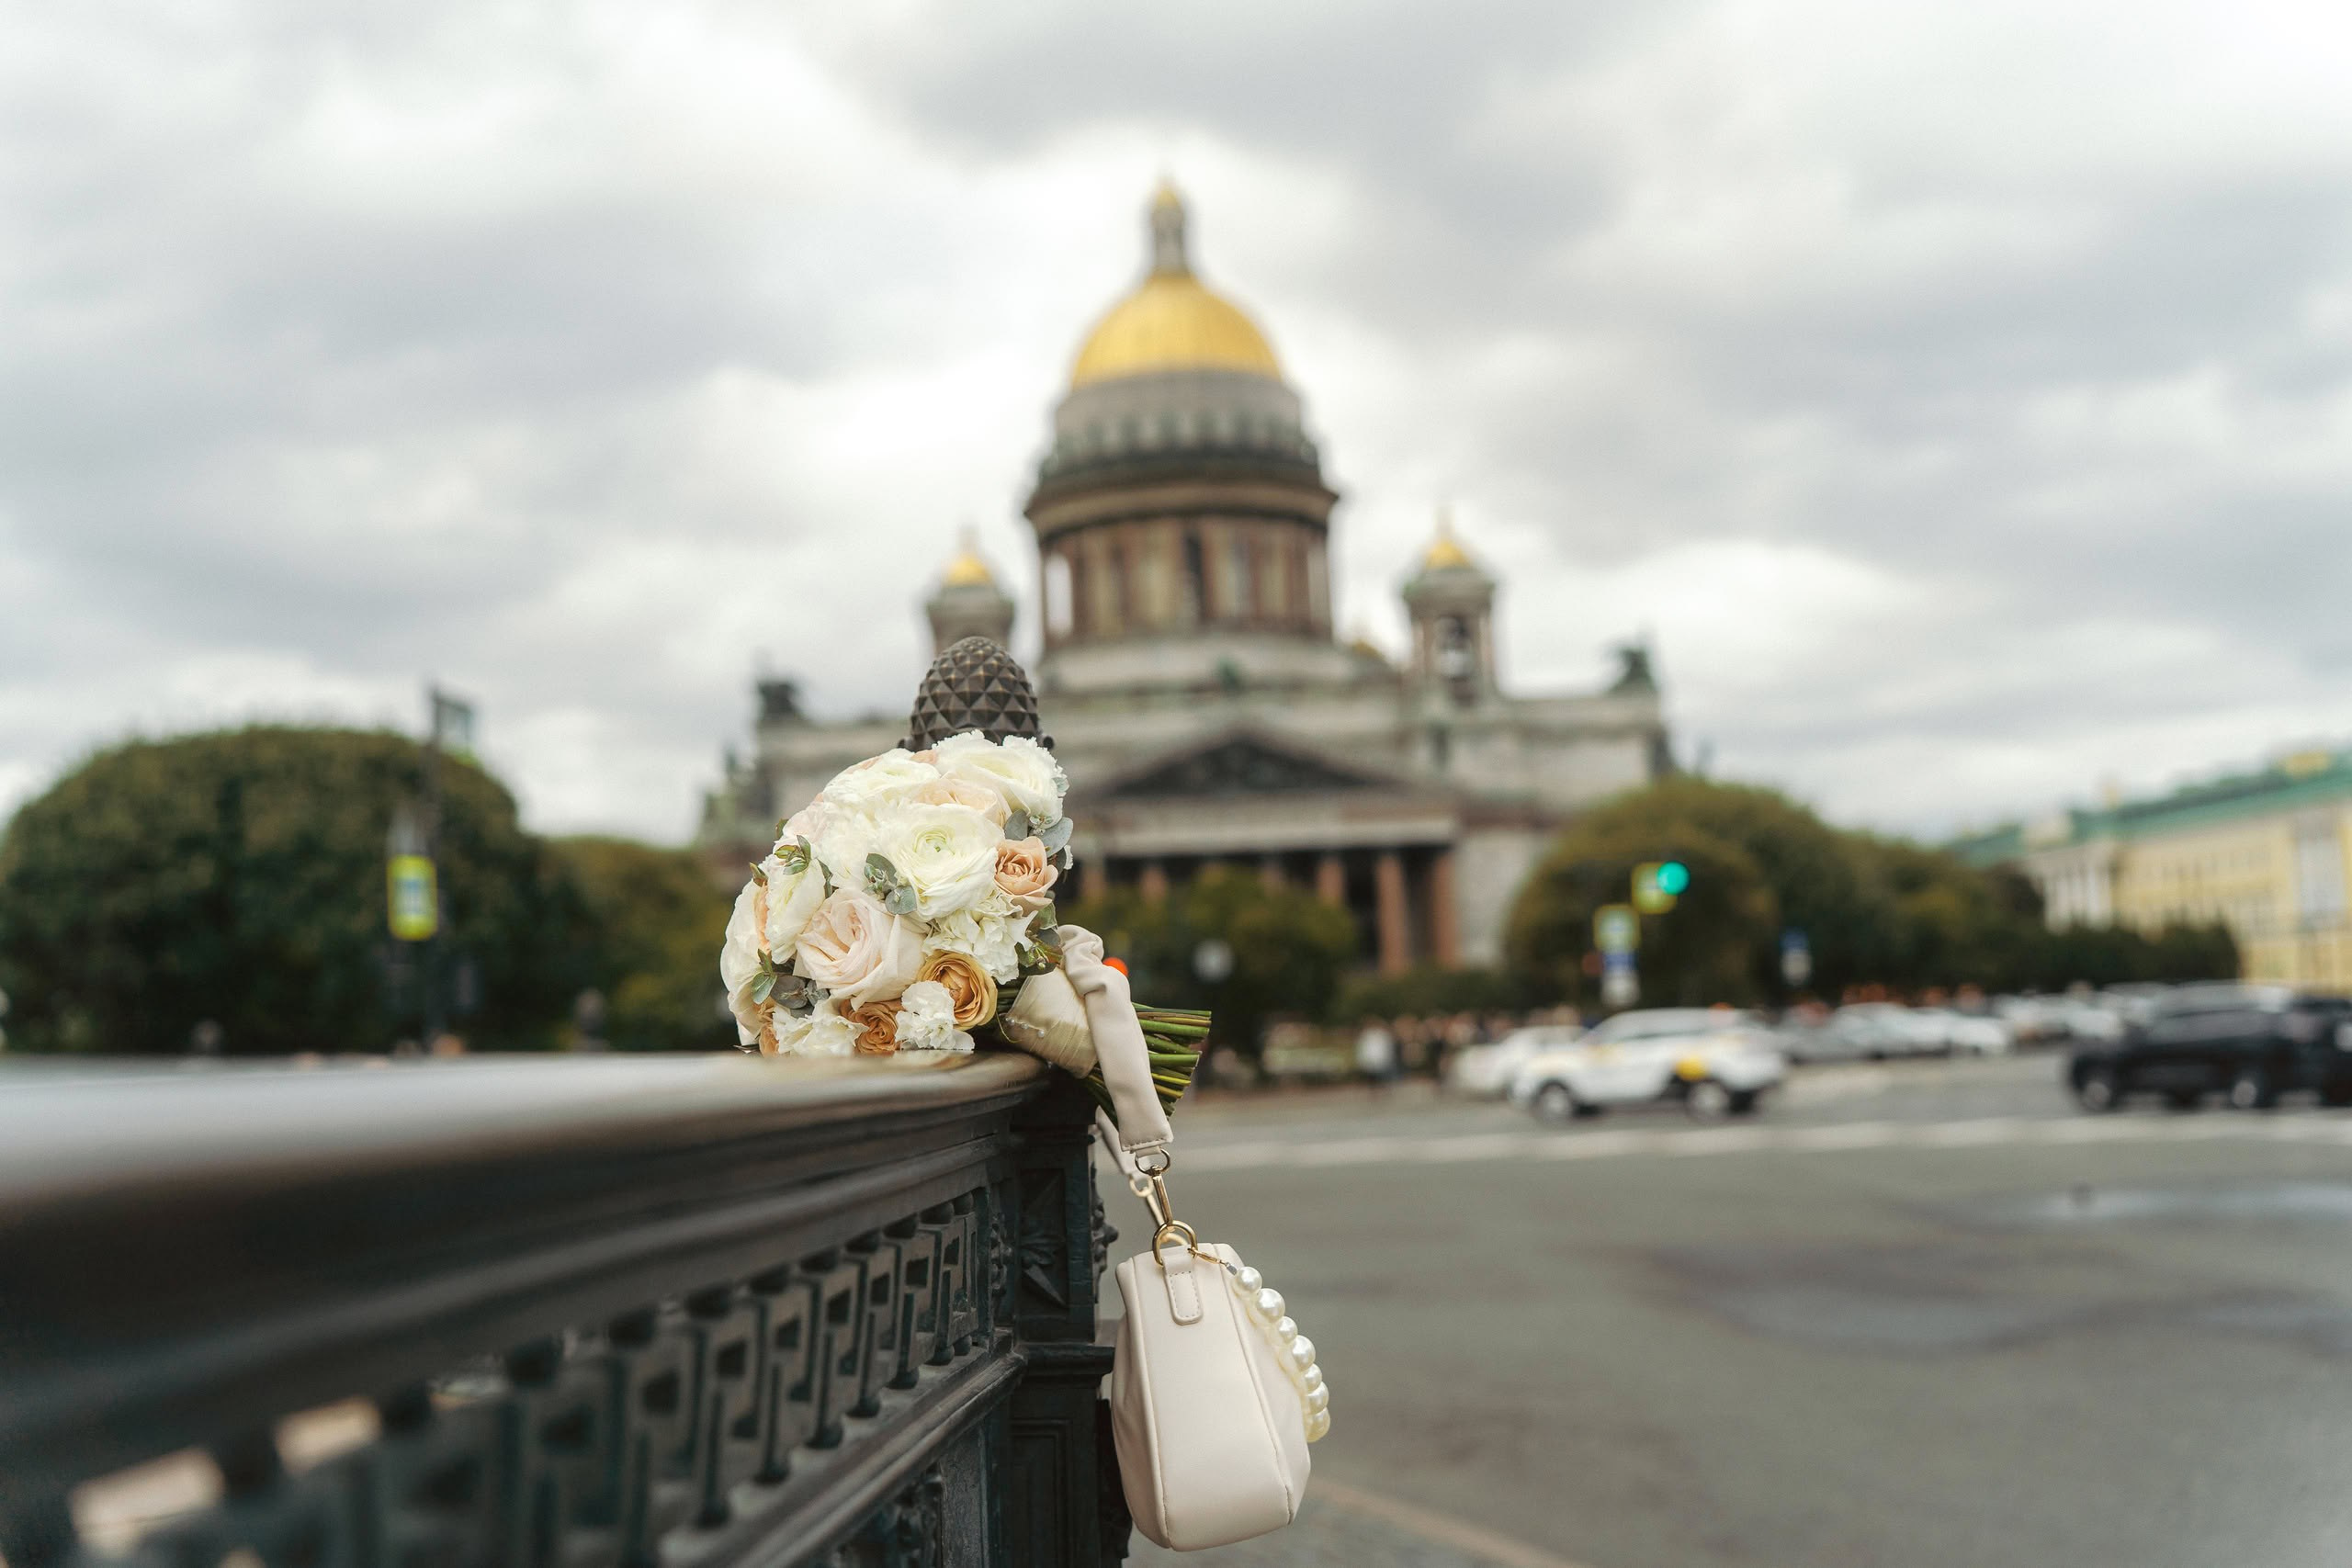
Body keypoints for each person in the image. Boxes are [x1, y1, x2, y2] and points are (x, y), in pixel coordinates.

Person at [1354, 1017, 1399, 1089]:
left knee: (1382, 1077)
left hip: (1381, 1059)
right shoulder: (1366, 1035)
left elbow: (1387, 1048)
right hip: (1371, 1059)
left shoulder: (1382, 1035)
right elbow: (1362, 1048)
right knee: (1372, 1077)